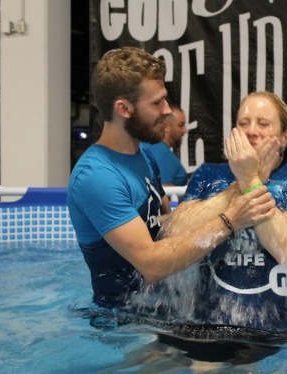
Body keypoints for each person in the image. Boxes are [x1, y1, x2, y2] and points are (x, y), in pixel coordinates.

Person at [67, 47, 276, 312]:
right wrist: (231, 220)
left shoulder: (144, 154)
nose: (167, 110)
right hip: (125, 325)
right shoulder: (97, 177)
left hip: (162, 311)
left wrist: (245, 183)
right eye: (156, 103)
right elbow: (153, 265)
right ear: (123, 108)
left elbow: (170, 229)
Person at [164, 91, 287, 332]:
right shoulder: (208, 174)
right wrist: (246, 181)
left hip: (280, 328)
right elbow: (176, 234)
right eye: (243, 123)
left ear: (285, 137)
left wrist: (251, 179)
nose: (251, 130)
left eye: (263, 123)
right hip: (207, 322)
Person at [145, 105, 188, 186]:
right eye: (180, 125)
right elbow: (162, 189)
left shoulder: (153, 148)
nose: (185, 130)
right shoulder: (161, 153)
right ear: (166, 126)